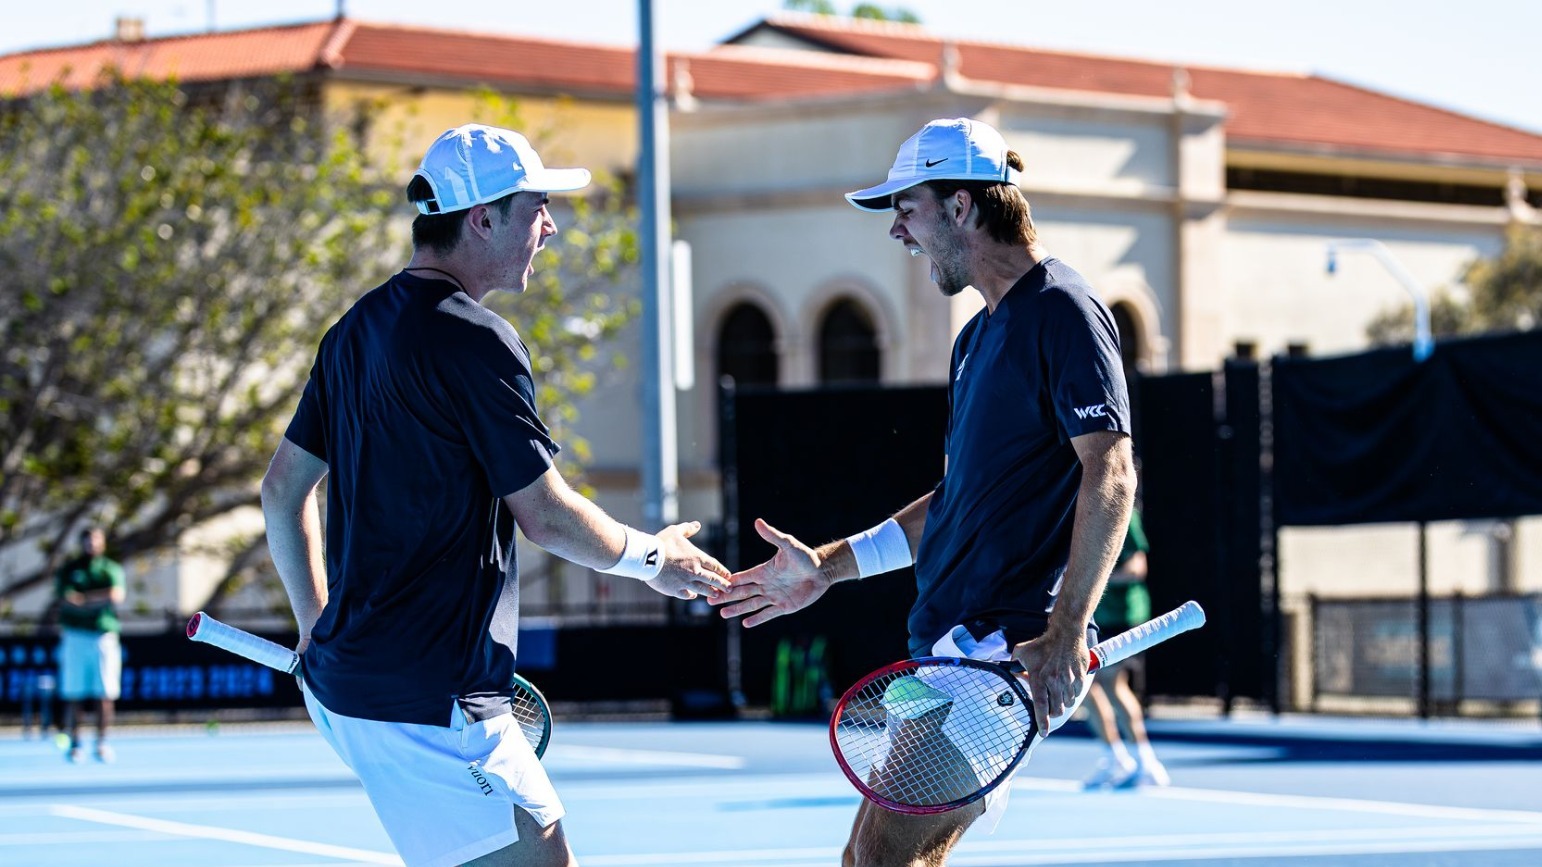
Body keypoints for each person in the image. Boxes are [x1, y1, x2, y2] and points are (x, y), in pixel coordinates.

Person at [261, 123, 730, 867]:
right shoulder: (476, 338)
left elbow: (281, 493)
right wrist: (654, 558)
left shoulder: (350, 332)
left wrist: (316, 625)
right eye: (536, 206)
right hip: (428, 701)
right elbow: (544, 514)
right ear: (482, 218)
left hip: (355, 690)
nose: (550, 224)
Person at [713, 117, 1137, 867]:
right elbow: (954, 500)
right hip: (950, 649)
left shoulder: (1064, 309)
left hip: (1009, 652)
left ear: (962, 207)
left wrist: (1069, 627)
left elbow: (1112, 469)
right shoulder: (976, 339)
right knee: (866, 858)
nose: (897, 232)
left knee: (883, 862)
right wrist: (826, 565)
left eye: (906, 209)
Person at [1083, 508, 1170, 789]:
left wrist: (1090, 581)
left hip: (1124, 616)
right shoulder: (1077, 508)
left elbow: (1136, 568)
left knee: (1113, 683)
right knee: (1085, 689)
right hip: (1096, 617)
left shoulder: (1121, 510)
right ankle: (1115, 757)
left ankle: (1147, 763)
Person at [54, 525, 126, 764]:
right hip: (75, 636)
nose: (91, 545)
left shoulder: (110, 569)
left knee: (104, 692)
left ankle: (102, 742)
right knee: (74, 693)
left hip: (102, 637)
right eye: (88, 541)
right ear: (82, 543)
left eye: (96, 541)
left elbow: (115, 595)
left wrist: (85, 600)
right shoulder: (70, 569)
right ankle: (76, 743)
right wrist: (95, 599)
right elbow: (67, 600)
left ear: (102, 543)